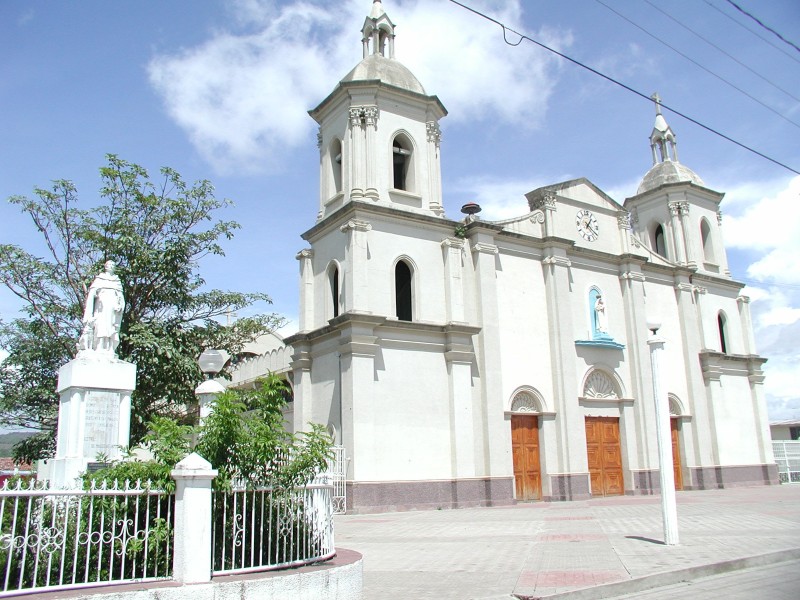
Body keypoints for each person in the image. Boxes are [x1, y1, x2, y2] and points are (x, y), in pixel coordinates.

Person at [79, 260, 125, 355]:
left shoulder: (117, 280)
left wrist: (120, 305)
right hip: (101, 306)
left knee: (111, 326)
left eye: (113, 265)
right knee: (101, 325)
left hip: (112, 306)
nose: (111, 266)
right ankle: (99, 346)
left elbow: (120, 296)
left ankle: (109, 347)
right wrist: (95, 293)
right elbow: (92, 293)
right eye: (109, 265)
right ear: (105, 266)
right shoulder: (100, 279)